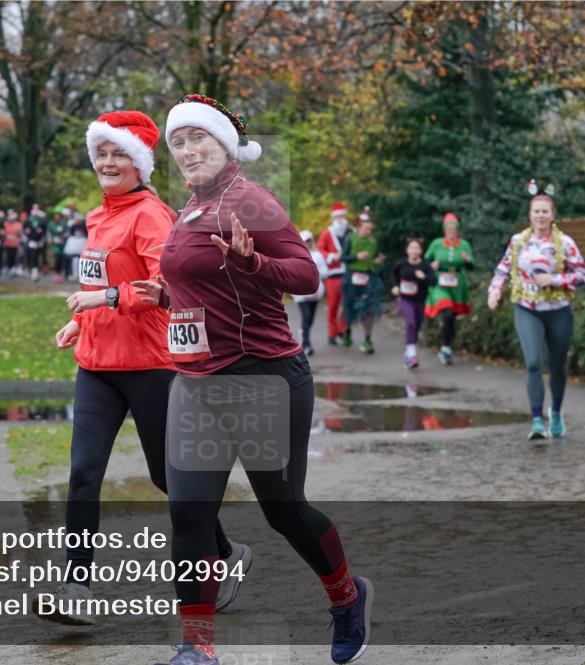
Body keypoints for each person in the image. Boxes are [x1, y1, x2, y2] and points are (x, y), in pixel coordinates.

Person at [136, 94, 373, 665]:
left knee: (284, 510)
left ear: (224, 144)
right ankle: (198, 647)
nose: (189, 150)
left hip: (263, 379)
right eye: (179, 142)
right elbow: (204, 283)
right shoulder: (191, 207)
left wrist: (253, 265)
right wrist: (169, 295)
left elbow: (305, 275)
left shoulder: (250, 198)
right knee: (189, 511)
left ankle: (347, 598)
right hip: (195, 383)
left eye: (199, 139)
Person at [41, 110, 248, 626]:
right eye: (102, 154)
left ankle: (224, 554)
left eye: (119, 155)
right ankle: (78, 588)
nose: (108, 163)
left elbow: (169, 290)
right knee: (84, 474)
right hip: (98, 367)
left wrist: (108, 297)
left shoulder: (152, 216)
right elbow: (99, 288)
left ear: (139, 164)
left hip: (152, 367)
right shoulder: (96, 217)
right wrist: (83, 325)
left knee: (167, 478)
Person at [487, 182, 585, 440]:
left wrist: (555, 280)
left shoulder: (565, 242)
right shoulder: (518, 242)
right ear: (530, 215)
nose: (541, 216)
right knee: (533, 363)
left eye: (545, 212)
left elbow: (582, 275)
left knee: (557, 365)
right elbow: (502, 268)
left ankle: (555, 412)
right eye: (536, 212)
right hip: (527, 308)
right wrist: (495, 291)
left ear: (553, 215)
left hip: (558, 311)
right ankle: (536, 420)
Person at [423, 213, 475, 365]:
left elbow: (471, 265)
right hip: (440, 281)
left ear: (457, 230)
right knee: (447, 310)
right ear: (444, 230)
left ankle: (447, 345)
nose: (451, 231)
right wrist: (431, 266)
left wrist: (467, 261)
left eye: (454, 229)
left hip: (457, 282)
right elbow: (425, 260)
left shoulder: (464, 245)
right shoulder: (437, 244)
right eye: (449, 229)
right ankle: (446, 347)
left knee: (451, 316)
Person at [341, 208, 385, 353]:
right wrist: (356, 257)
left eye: (370, 229)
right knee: (349, 306)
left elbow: (376, 258)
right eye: (366, 228)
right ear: (359, 226)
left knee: (369, 308)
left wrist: (378, 261)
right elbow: (343, 258)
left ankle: (367, 339)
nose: (368, 231)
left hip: (369, 278)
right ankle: (347, 332)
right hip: (352, 277)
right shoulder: (350, 239)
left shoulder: (374, 241)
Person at [391, 238, 437, 369]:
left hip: (420, 300)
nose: (414, 251)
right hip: (405, 299)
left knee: (417, 325)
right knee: (410, 322)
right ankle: (411, 355)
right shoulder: (401, 264)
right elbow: (394, 275)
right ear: (407, 250)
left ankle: (409, 352)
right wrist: (395, 286)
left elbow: (434, 281)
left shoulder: (425, 265)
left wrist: (424, 277)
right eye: (411, 248)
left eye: (417, 248)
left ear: (421, 251)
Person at [316, 203, 351, 344]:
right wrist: (330, 256)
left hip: (348, 273)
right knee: (333, 305)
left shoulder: (351, 232)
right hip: (333, 274)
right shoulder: (327, 232)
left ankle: (343, 330)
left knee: (346, 305)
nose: (341, 219)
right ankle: (332, 333)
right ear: (334, 218)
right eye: (338, 216)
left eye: (343, 216)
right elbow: (319, 249)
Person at [293, 229, 328, 355]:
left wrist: (315, 271)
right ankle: (306, 345)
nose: (307, 243)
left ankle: (303, 332)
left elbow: (325, 272)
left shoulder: (317, 255)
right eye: (304, 241)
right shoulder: (294, 255)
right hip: (301, 294)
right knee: (306, 316)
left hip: (315, 293)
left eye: (308, 241)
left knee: (310, 319)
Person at [23, 206, 47, 281]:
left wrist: (41, 235)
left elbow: (44, 230)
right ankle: (33, 270)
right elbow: (25, 230)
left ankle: (35, 270)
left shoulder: (42, 221)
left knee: (38, 256)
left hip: (39, 241)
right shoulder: (28, 221)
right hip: (31, 240)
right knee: (32, 255)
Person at [2, 208, 23, 277]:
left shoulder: (19, 225)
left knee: (16, 256)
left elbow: (20, 234)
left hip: (15, 244)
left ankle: (14, 268)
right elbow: (3, 233)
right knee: (8, 256)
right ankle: (8, 268)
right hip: (7, 243)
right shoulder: (5, 224)